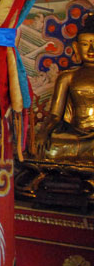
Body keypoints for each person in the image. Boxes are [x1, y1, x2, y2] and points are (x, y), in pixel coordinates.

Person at [36, 18, 94, 162]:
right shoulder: (68, 77)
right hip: (77, 136)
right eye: (85, 44)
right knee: (52, 148)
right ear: (76, 47)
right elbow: (55, 115)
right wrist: (43, 132)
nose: (91, 50)